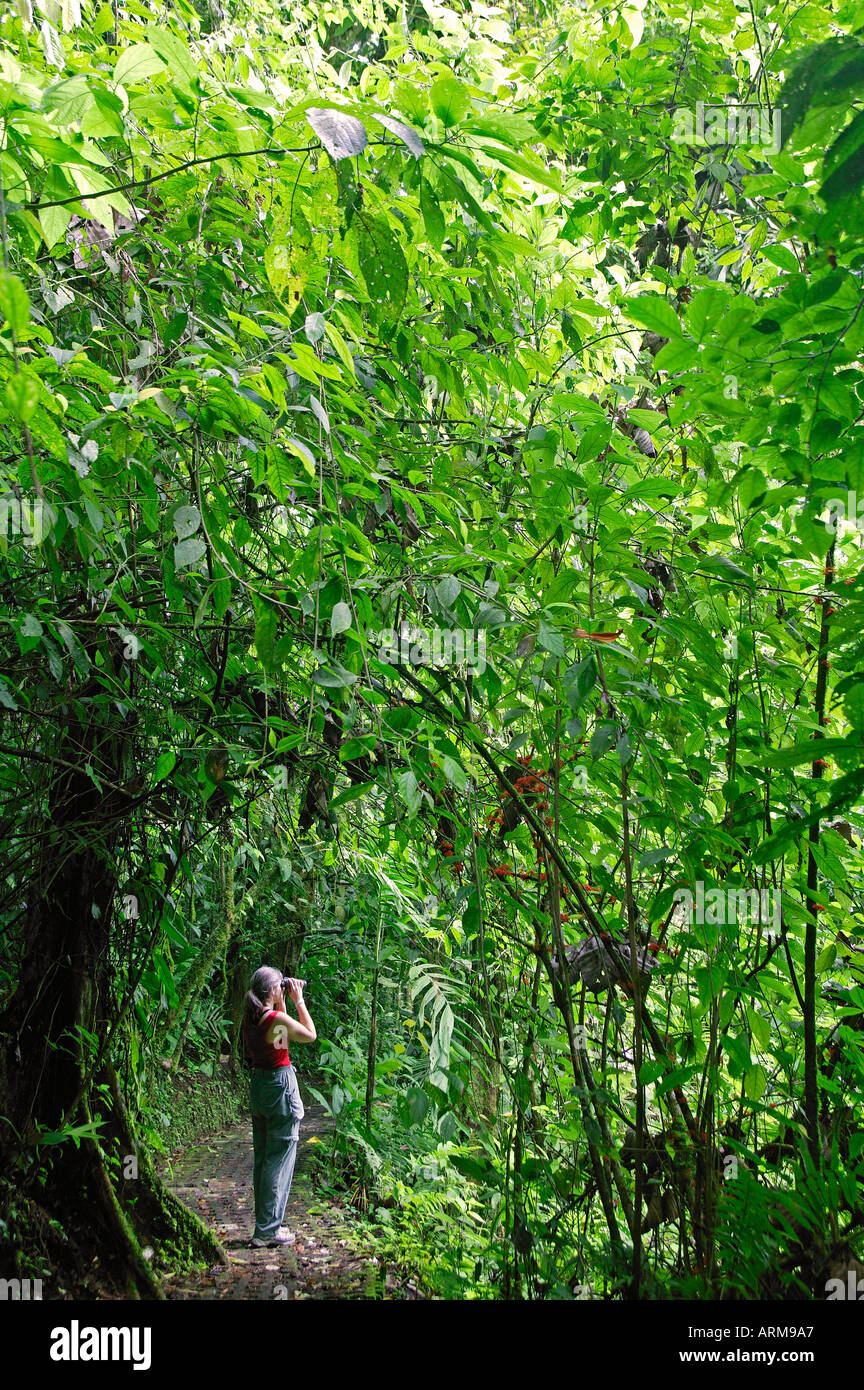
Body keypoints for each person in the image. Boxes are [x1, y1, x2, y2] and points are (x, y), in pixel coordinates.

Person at [242, 965, 316, 1248]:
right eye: (280, 986)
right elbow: (310, 1035)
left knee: (264, 1159)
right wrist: (298, 999)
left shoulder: (254, 1017)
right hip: (279, 1088)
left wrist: (282, 1001)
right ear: (272, 990)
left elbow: (280, 1034)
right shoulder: (274, 1020)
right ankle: (268, 1230)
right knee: (279, 1159)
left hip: (259, 1086)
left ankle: (265, 1226)